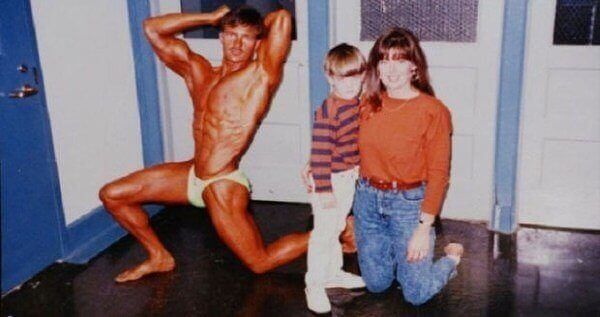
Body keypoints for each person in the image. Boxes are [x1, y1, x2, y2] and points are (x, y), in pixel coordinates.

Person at [99, 5, 314, 283]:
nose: (237, 44)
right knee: (113, 195)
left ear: (257, 42)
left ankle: (331, 230)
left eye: (246, 37)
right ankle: (159, 257)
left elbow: (282, 18)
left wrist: (257, 22)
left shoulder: (259, 77)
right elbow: (152, 28)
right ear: (220, 37)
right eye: (231, 34)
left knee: (260, 262)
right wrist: (209, 18)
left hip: (223, 180)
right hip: (192, 173)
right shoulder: (199, 72)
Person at [353, 27, 464, 305]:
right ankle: (398, 250)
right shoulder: (367, 104)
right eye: (384, 59)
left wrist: (423, 229)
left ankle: (451, 258)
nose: (391, 69)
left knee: (415, 293)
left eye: (400, 60)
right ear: (376, 66)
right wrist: (315, 164)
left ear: (414, 66)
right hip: (367, 199)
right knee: (376, 284)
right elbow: (345, 148)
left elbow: (439, 174)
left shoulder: (433, 110)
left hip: (409, 205)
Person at [304, 43, 366, 314]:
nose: (351, 84)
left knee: (336, 227)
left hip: (346, 176)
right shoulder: (328, 111)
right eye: (343, 78)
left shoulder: (355, 103)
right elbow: (319, 154)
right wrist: (325, 190)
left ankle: (333, 273)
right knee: (324, 234)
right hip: (328, 179)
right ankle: (314, 284)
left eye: (356, 76)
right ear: (330, 77)